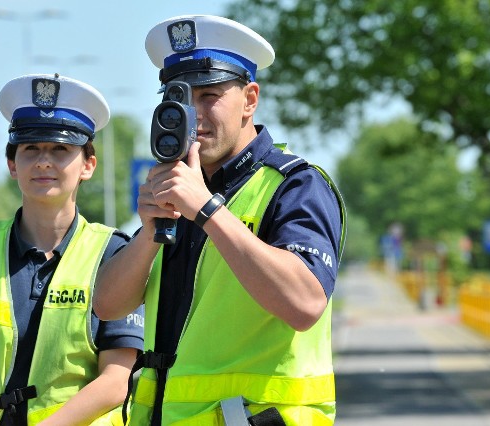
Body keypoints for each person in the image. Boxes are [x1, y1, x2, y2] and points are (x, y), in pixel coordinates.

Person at [92, 15, 346, 426]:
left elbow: (304, 304)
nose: (194, 113)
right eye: (180, 98)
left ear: (250, 99)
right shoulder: (183, 185)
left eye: (209, 95)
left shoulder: (296, 185)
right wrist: (149, 234)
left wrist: (208, 210)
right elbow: (108, 306)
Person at [0, 73, 144, 426]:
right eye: (31, 149)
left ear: (88, 164)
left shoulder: (115, 252)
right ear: (13, 164)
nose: (44, 161)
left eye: (60, 149)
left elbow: (116, 380)